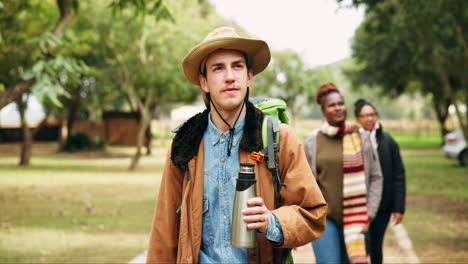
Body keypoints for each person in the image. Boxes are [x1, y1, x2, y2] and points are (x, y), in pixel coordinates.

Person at [146, 27, 328, 264]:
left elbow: (312, 214)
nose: (229, 76)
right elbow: (165, 230)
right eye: (218, 68)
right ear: (204, 82)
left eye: (237, 66)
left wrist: (271, 222)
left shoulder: (278, 139)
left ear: (249, 77)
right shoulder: (184, 144)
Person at [303, 83, 383, 264]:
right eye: (332, 105)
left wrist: (369, 213)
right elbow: (305, 181)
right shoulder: (312, 141)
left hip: (357, 218)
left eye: (341, 103)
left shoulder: (362, 138)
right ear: (323, 111)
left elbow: (376, 176)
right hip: (324, 219)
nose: (338, 108)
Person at [354, 99, 406, 264]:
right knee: (360, 247)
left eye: (372, 115)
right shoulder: (351, 140)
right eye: (365, 116)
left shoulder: (388, 141)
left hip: (383, 205)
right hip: (357, 203)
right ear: (357, 118)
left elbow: (399, 174)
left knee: (376, 246)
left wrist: (398, 208)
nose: (369, 119)